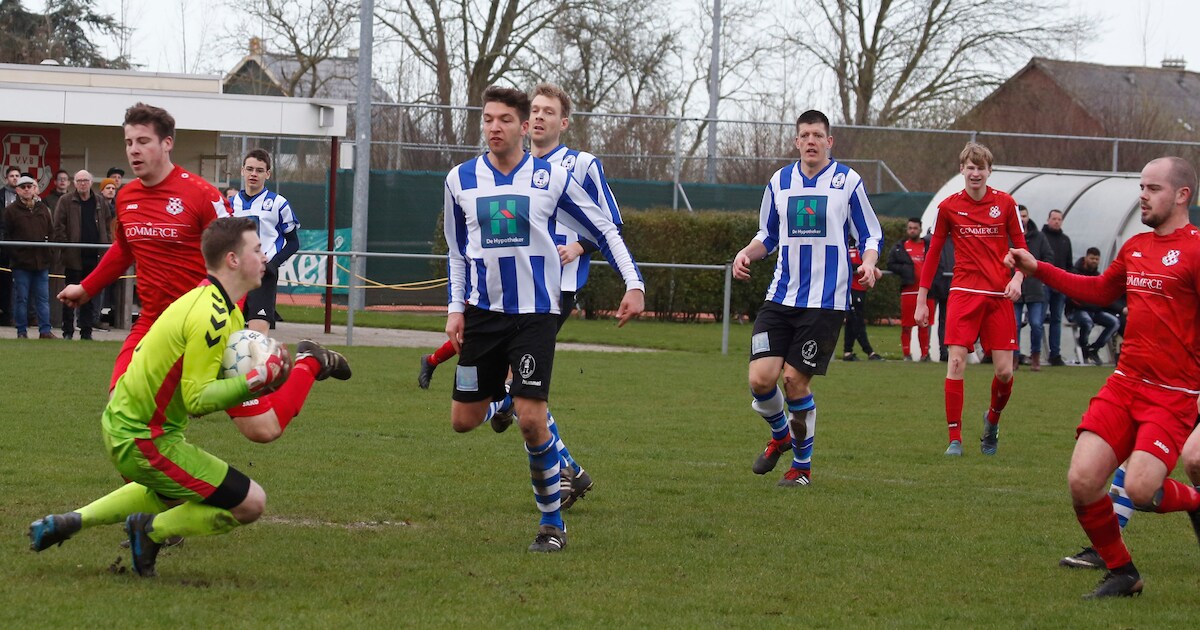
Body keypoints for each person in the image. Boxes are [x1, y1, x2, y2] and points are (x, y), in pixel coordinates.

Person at [27, 217, 352, 578]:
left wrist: (258, 382)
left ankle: (71, 521)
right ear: (232, 259)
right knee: (250, 503)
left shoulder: (218, 305)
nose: (264, 258)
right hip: (144, 438)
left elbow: (198, 394)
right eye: (257, 250)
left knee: (171, 493)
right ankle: (150, 532)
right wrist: (259, 377)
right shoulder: (212, 315)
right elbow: (197, 399)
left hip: (133, 428)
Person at [58, 102, 336, 443]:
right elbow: (124, 248)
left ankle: (309, 361)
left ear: (167, 143)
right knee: (123, 415)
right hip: (154, 323)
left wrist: (233, 312)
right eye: (128, 142)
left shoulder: (201, 195)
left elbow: (237, 253)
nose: (134, 150)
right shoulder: (127, 197)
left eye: (143, 141)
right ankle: (173, 486)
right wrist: (86, 288)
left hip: (209, 322)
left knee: (263, 429)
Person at [443, 86, 644, 552]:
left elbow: (604, 228)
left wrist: (633, 283)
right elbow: (457, 252)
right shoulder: (459, 180)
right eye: (488, 119)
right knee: (463, 420)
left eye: (505, 120)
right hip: (481, 315)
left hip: (535, 314)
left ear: (522, 127)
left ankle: (551, 525)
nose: (495, 127)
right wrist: (456, 308)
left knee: (532, 419)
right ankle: (508, 403)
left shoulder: (550, 177)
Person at [1006, 156, 1200, 598]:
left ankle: (1195, 501)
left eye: (1153, 188)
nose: (1143, 196)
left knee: (1142, 488)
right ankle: (1123, 573)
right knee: (1082, 480)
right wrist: (1038, 268)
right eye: (1141, 187)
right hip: (1125, 383)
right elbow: (1098, 291)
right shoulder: (1135, 247)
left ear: (1182, 195)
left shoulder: (1196, 250)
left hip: (1172, 395)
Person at [734, 109, 884, 487]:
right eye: (805, 135)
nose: (812, 141)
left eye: (818, 135)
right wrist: (745, 254)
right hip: (781, 296)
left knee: (794, 382)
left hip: (825, 302)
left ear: (829, 141)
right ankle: (782, 436)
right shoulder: (779, 182)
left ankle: (801, 467)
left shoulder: (847, 182)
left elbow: (870, 235)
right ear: (797, 141)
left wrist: (869, 262)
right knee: (760, 380)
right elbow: (766, 236)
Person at [915, 142, 1027, 457]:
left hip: (998, 295)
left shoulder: (1005, 204)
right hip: (963, 294)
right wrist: (922, 300)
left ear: (989, 171)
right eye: (970, 167)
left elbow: (1022, 248)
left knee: (1005, 372)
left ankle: (991, 421)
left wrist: (1017, 278)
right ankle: (955, 438)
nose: (975, 173)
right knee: (955, 362)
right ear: (962, 169)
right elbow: (933, 254)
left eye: (981, 168)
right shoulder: (948, 207)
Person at [229, 149, 300, 334]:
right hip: (233, 276)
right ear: (242, 170)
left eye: (259, 170)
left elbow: (293, 243)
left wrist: (273, 265)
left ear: (267, 174)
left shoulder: (278, 204)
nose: (254, 174)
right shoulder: (228, 204)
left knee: (257, 340)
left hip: (262, 277)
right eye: (250, 169)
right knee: (226, 337)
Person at [53, 170, 112, 340]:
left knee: (90, 295)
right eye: (79, 181)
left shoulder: (100, 201)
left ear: (91, 182)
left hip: (94, 256)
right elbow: (59, 226)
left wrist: (105, 244)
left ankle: (86, 331)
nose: (82, 184)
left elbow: (108, 225)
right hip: (73, 257)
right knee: (69, 295)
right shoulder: (65, 201)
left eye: (85, 180)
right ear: (74, 183)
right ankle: (68, 331)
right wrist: (66, 247)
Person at [4, 174, 57, 339]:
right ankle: (21, 331)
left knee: (43, 298)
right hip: (21, 263)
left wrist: (49, 253)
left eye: (30, 186)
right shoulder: (10, 211)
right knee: (22, 299)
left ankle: (45, 331)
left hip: (42, 262)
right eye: (23, 187)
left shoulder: (44, 209)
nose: (27, 189)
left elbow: (51, 232)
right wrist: (17, 255)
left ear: (35, 189)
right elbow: (7, 236)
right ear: (17, 190)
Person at [1013, 205, 1054, 371]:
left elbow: (1049, 257)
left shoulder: (1039, 237)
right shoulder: (1009, 236)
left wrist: (1039, 272)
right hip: (1015, 289)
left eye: (1024, 216)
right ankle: (1014, 358)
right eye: (1019, 216)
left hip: (1035, 289)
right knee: (1014, 325)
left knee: (1036, 324)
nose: (1022, 219)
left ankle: (1035, 357)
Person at [889, 217, 933, 361]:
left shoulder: (928, 245)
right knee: (907, 325)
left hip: (926, 292)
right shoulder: (900, 247)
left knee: (924, 325)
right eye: (910, 228)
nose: (912, 230)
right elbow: (891, 264)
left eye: (915, 228)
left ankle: (925, 354)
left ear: (920, 229)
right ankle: (906, 354)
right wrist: (904, 270)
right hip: (909, 291)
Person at [1070, 247, 1120, 366]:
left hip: (1094, 310)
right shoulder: (1075, 272)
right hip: (1076, 310)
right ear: (1086, 257)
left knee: (1115, 322)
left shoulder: (1098, 276)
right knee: (1087, 322)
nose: (1094, 261)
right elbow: (1074, 297)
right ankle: (1083, 348)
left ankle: (1094, 349)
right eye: (1092, 258)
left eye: (1097, 259)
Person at [843, 238, 883, 361]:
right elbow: (846, 264)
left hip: (860, 290)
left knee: (854, 321)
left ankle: (848, 352)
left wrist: (872, 268)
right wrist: (862, 267)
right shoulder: (845, 246)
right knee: (855, 320)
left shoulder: (863, 249)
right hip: (850, 289)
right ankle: (869, 351)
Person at [1041, 209, 1073, 366]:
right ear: (1048, 220)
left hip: (1060, 286)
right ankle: (1037, 353)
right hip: (1044, 284)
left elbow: (1069, 265)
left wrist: (1068, 284)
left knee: (1056, 319)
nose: (1056, 221)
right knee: (1038, 319)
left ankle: (1055, 354)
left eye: (1059, 219)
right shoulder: (1042, 237)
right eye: (1054, 218)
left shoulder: (1065, 240)